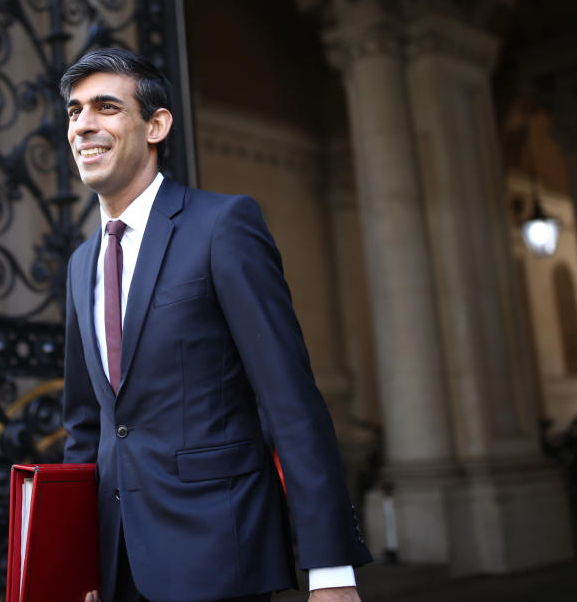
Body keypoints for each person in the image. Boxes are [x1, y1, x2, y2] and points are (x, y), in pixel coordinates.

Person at [60, 48, 371, 602]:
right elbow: (87, 426)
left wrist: (330, 570)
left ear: (156, 125)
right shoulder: (82, 261)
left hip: (219, 553)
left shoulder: (223, 225)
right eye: (74, 111)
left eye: (106, 107)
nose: (84, 124)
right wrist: (81, 564)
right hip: (116, 569)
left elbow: (290, 399)